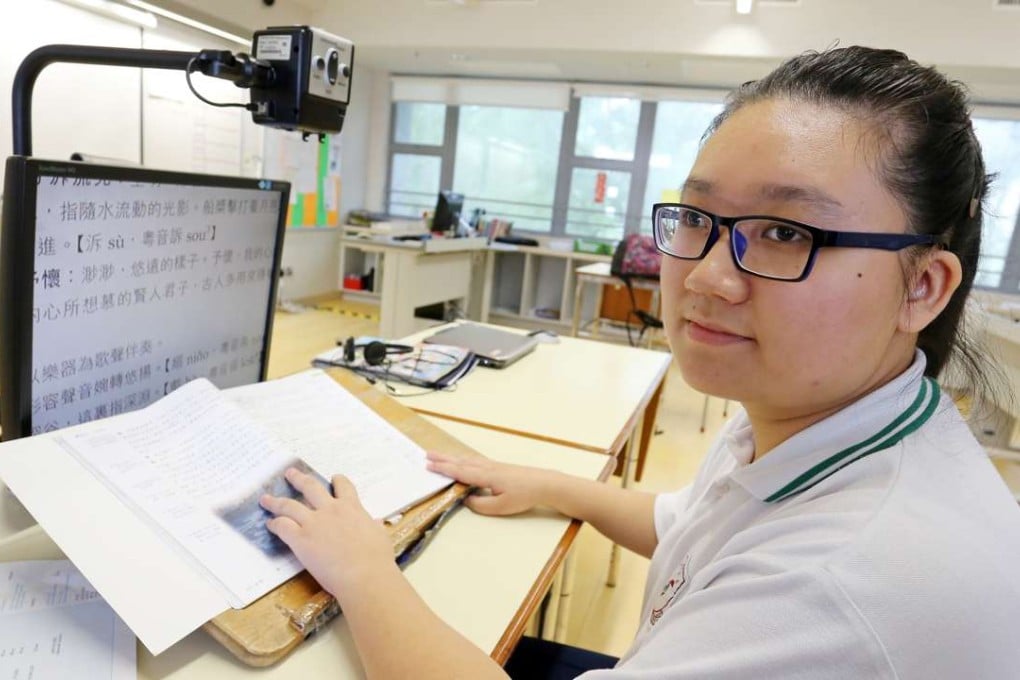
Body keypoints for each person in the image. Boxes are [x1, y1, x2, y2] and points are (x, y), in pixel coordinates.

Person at [259, 46, 1020, 679]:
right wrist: (548, 484)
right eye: (697, 218)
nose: (709, 276)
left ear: (922, 286)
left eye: (787, 232)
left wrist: (363, 570)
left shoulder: (838, 583)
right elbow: (687, 523)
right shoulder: (821, 422)